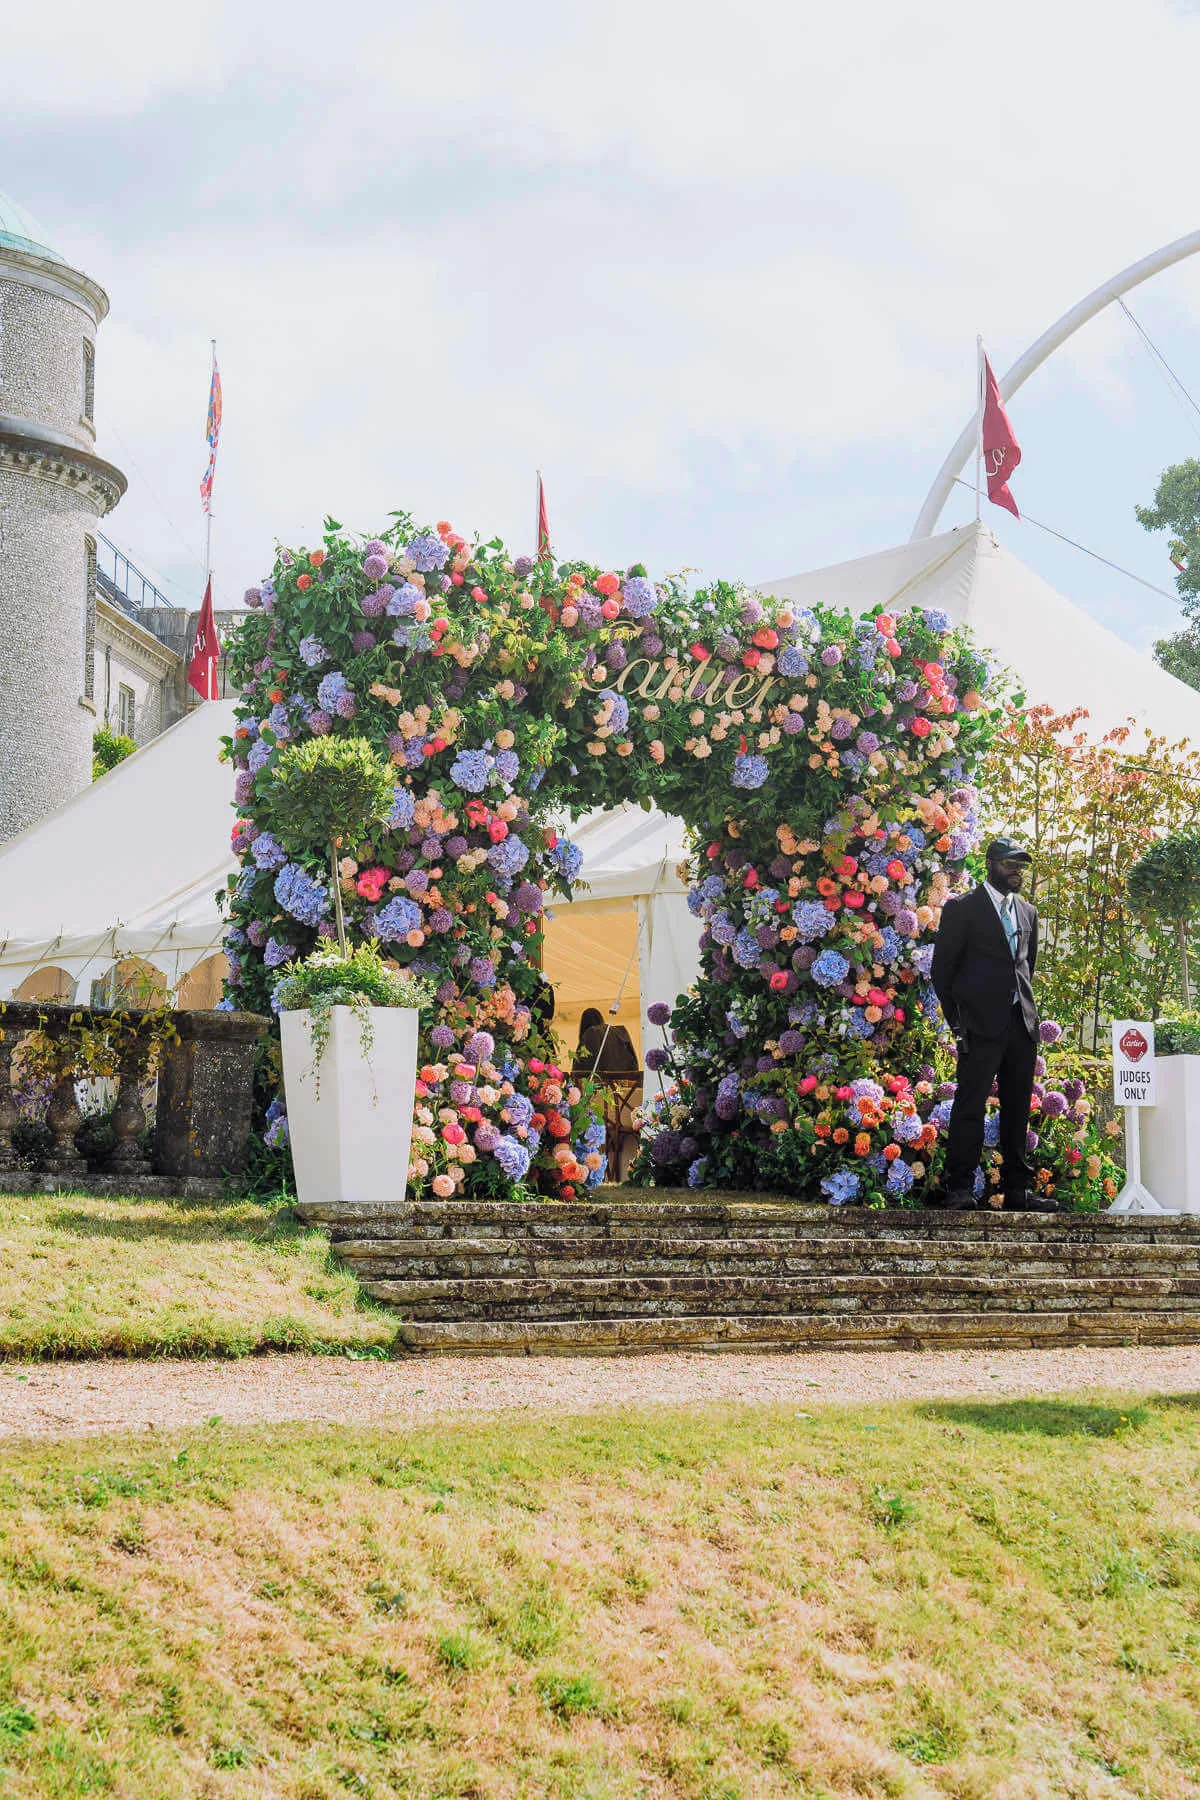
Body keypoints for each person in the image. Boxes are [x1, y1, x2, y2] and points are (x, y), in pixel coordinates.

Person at [930, 836, 1057, 1213]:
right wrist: (958, 1024)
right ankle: (960, 1189)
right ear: (990, 864)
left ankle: (1018, 1192)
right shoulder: (962, 909)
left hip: (1020, 1026)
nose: (1017, 871)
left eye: (1020, 864)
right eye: (1009, 863)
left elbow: (1025, 967)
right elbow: (942, 973)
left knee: (1018, 1108)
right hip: (978, 1027)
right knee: (969, 1107)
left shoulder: (1029, 912)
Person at [573, 1007, 639, 1073]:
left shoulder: (590, 1034)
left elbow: (580, 1067)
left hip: (600, 1080)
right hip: (625, 1080)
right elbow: (633, 1063)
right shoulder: (620, 1032)